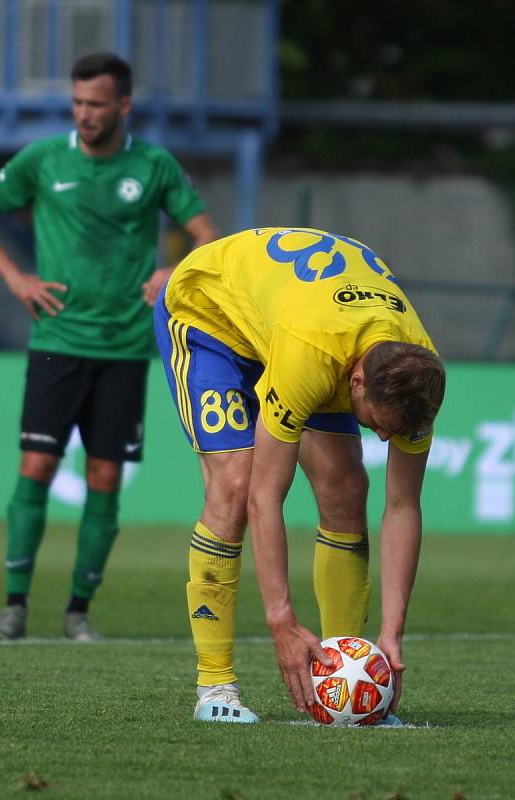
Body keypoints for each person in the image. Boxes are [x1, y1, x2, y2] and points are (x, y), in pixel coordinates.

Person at [0, 52, 219, 642]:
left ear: (123, 105)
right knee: (37, 466)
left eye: (96, 104)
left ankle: (78, 610)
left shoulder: (152, 165)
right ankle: (14, 607)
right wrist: (14, 277)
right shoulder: (44, 159)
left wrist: (173, 269)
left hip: (125, 348)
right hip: (57, 340)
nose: (84, 114)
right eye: (77, 102)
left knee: (104, 476)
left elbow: (207, 233)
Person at [154, 226, 445, 723]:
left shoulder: (416, 371)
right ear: (356, 382)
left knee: (348, 489)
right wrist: (281, 621)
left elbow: (403, 506)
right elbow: (266, 498)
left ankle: (345, 679)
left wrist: (391, 631)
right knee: (236, 485)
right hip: (210, 315)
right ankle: (215, 686)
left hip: (297, 318)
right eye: (376, 424)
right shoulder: (312, 357)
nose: (380, 438)